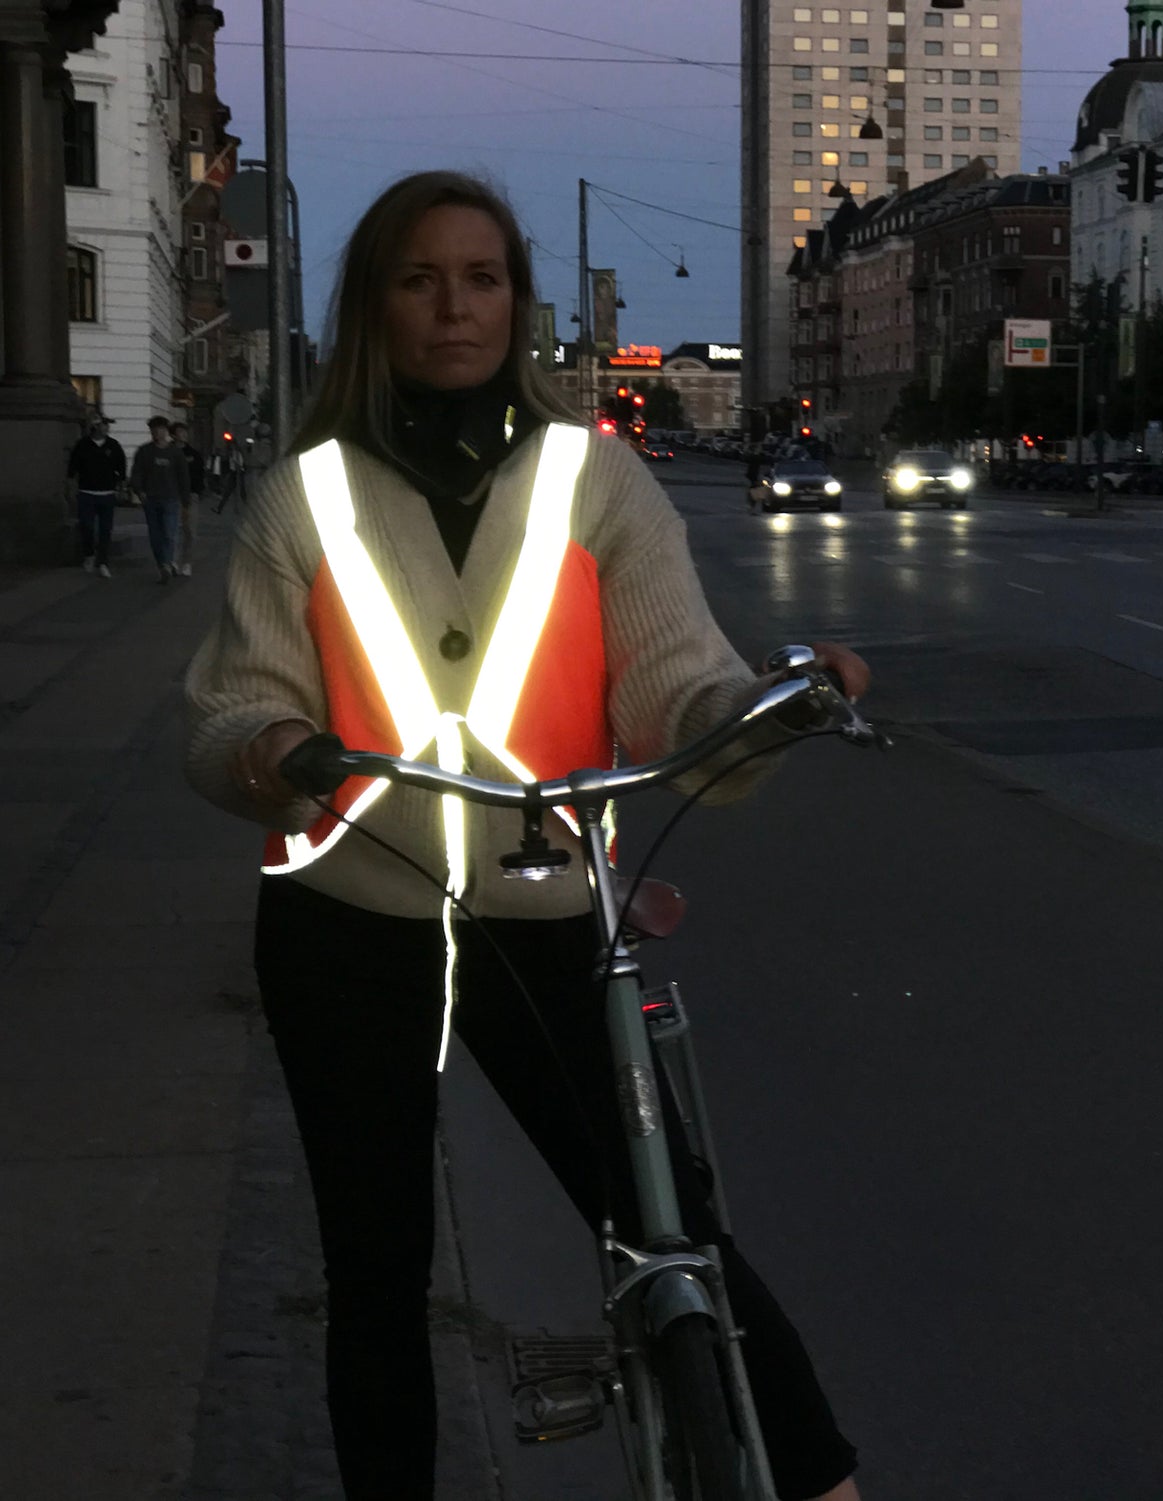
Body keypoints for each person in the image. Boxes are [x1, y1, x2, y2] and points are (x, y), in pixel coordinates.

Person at [184, 170, 870, 1501]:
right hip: (348, 925)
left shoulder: (595, 480)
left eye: (482, 278)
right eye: (420, 278)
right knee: (373, 1274)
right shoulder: (303, 499)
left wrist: (760, 713)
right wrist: (268, 748)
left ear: (518, 298)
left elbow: (677, 686)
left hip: (548, 916)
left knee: (674, 1228)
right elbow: (231, 705)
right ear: (375, 304)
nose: (455, 306)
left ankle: (825, 1486)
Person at [129, 415, 191, 581]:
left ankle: (167, 563)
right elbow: (137, 474)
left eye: (161, 429)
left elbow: (183, 477)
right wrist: (139, 490)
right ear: (151, 431)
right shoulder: (145, 452)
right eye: (155, 430)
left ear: (166, 432)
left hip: (171, 499)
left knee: (169, 533)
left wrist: (186, 501)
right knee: (155, 535)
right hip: (151, 499)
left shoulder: (175, 453)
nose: (158, 433)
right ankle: (162, 564)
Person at [66, 411, 127, 577]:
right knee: (87, 526)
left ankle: (103, 562)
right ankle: (89, 554)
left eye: (107, 425)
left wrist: (121, 487)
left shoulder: (113, 446)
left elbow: (121, 469)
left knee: (105, 530)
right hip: (87, 492)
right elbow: (72, 468)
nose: (106, 428)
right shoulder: (83, 445)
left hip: (107, 493)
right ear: (95, 426)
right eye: (103, 425)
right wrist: (71, 486)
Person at [170, 421, 205, 576]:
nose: (184, 435)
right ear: (173, 434)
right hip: (172, 495)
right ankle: (173, 561)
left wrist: (197, 491)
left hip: (191, 495)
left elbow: (199, 473)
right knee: (174, 529)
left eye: (185, 432)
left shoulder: (193, 454)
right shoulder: (168, 451)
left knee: (190, 530)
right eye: (180, 432)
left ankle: (187, 562)